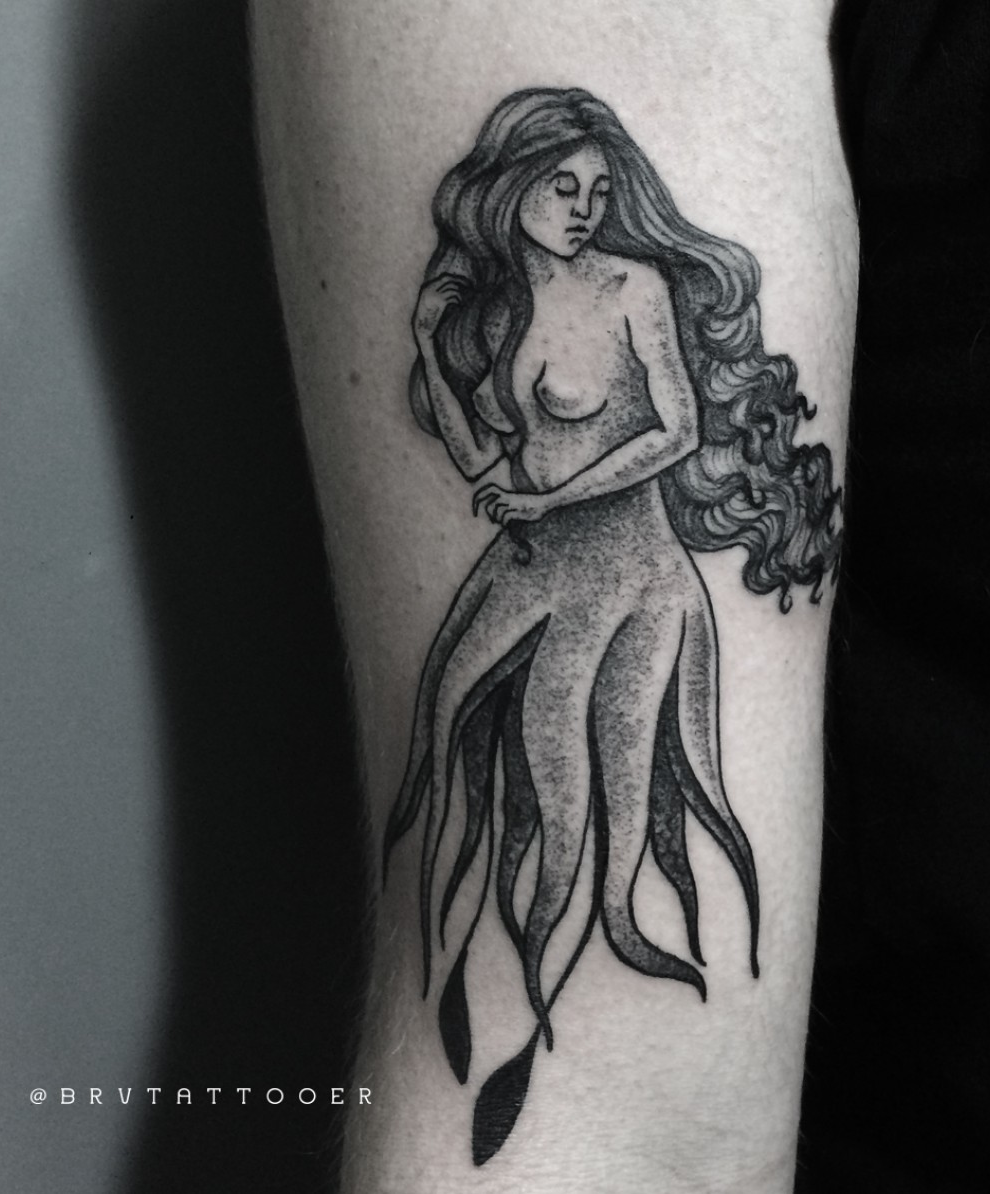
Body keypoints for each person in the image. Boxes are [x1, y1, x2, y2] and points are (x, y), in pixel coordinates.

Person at [380, 87, 841, 1164]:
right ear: (509, 189)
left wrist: (551, 497)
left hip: (632, 576)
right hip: (528, 570)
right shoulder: (495, 311)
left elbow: (675, 432)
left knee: (618, 824)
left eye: (597, 188)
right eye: (560, 186)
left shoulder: (635, 286)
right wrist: (429, 340)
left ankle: (550, 1029)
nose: (583, 208)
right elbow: (481, 460)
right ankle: (497, 1029)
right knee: (480, 814)